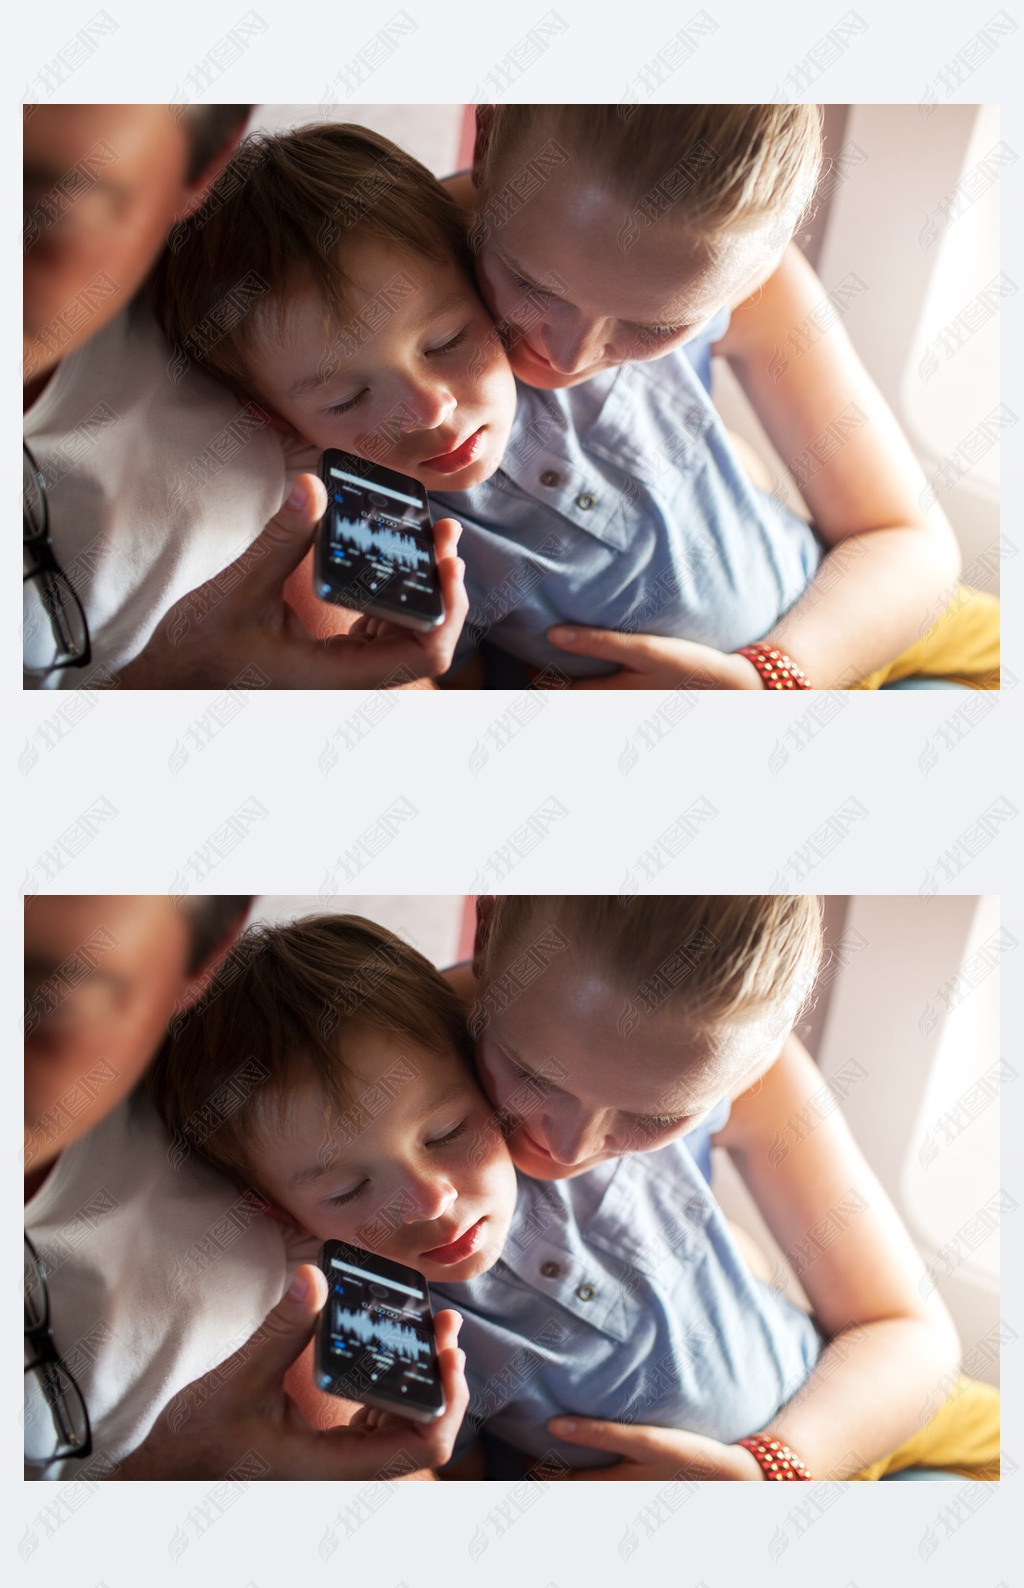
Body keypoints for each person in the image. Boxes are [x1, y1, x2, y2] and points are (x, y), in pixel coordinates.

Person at [149, 912, 826, 1476]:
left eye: (447, 1133)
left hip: (818, 1400)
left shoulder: (586, 1109)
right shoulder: (384, 1322)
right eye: (350, 1188)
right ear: (279, 1213)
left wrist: (775, 1469)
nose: (432, 1200)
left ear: (467, 1064)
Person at [436, 896, 1000, 1479]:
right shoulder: (367, 1128)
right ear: (488, 931)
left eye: (656, 1117)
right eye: (531, 1074)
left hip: (840, 1405)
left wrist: (772, 1471)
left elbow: (906, 1329)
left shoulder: (746, 1050)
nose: (571, 1148)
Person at [438, 104, 999, 689]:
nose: (570, 357)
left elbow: (906, 537)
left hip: (839, 615)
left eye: (656, 327)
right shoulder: (368, 338)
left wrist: (771, 680)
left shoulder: (747, 261)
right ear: (487, 141)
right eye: (530, 283)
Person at [23, 104, 468, 688]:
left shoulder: (233, 295)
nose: (432, 407)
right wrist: (164, 682)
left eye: (45, 211)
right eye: (345, 398)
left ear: (197, 171)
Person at [24, 896, 468, 1479]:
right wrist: (166, 1473)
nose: (433, 1198)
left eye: (46, 1000)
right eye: (346, 1189)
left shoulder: (233, 1086)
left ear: (199, 960)